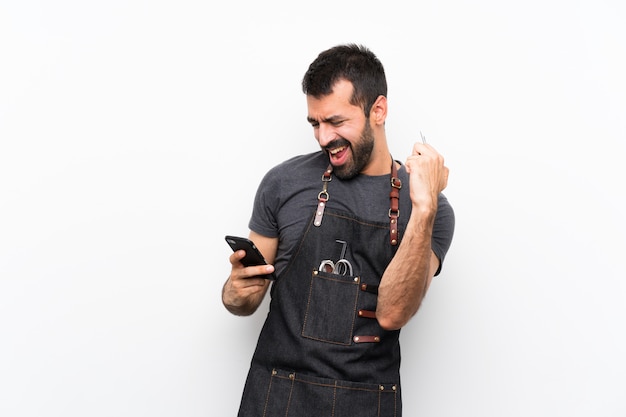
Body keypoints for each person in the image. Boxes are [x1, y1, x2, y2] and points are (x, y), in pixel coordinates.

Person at [222, 44, 455, 417]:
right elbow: (244, 300)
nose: (323, 137)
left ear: (378, 110)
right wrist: (235, 293)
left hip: (365, 402)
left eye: (336, 122)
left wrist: (425, 206)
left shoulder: (431, 211)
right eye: (315, 123)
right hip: (277, 397)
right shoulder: (283, 183)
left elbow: (393, 313)